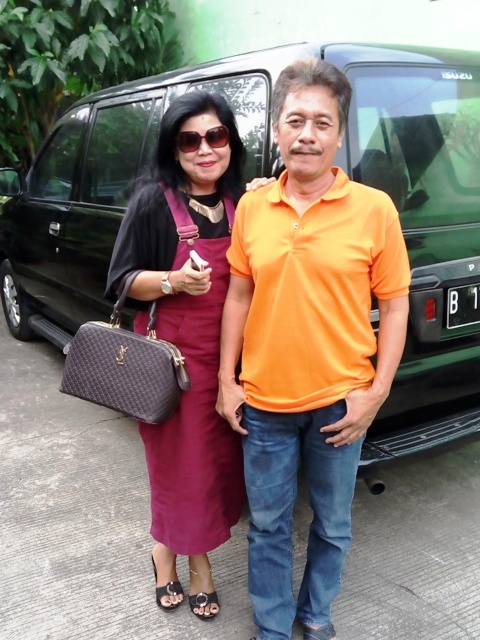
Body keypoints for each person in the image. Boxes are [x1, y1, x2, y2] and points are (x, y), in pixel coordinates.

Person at [216, 59, 411, 640]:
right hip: (264, 405)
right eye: (295, 120)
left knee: (333, 523)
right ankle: (274, 627)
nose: (307, 134)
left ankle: (316, 613)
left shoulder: (375, 210)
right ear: (276, 129)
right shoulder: (253, 207)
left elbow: (395, 305)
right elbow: (238, 296)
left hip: (340, 404)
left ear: (340, 134)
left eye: (322, 123)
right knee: (267, 526)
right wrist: (227, 381)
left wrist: (376, 393)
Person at [106, 90, 253, 622]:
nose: (205, 149)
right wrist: (172, 281)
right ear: (174, 149)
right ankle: (199, 566)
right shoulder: (152, 202)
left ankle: (163, 548)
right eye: (190, 140)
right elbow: (120, 282)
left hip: (234, 366)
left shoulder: (246, 203)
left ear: (231, 142)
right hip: (174, 367)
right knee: (182, 471)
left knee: (218, 471)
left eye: (216, 136)